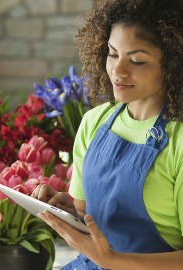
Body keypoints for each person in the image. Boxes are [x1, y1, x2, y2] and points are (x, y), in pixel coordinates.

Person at [32, 0, 183, 269]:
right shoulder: (95, 122)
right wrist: (64, 214)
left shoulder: (179, 142)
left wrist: (112, 260)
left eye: (137, 60)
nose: (118, 70)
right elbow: (87, 218)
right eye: (113, 54)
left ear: (173, 65)